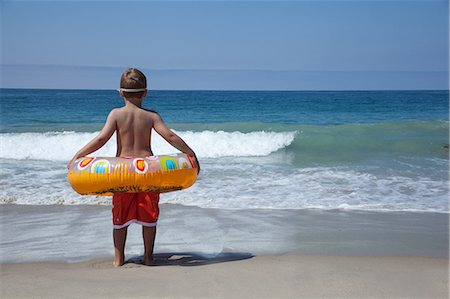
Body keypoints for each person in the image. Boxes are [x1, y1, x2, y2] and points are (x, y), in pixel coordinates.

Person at [67, 68, 200, 267]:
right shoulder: (151, 116)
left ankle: (118, 259)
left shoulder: (116, 114)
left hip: (122, 175)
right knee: (149, 217)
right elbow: (170, 136)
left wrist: (79, 155)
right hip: (147, 175)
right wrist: (191, 153)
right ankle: (148, 257)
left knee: (120, 218)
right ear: (145, 93)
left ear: (120, 92)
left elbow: (102, 138)